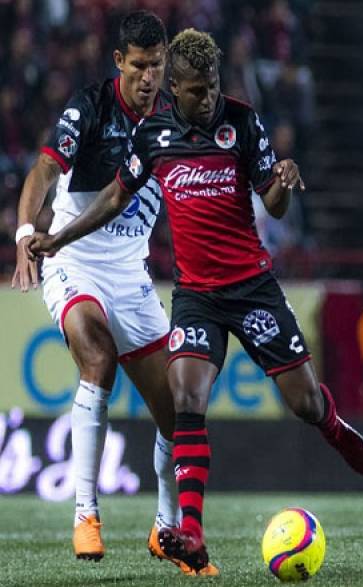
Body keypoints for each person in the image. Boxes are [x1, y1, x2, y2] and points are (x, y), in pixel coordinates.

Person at [27, 29, 363, 573]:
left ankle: (333, 424)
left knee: (303, 403)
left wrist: (282, 179)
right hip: (196, 296)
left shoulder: (242, 121)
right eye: (196, 91)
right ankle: (186, 531)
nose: (206, 99)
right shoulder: (155, 135)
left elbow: (275, 207)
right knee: (185, 399)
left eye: (212, 87)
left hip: (252, 287)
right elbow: (116, 196)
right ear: (178, 90)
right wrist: (57, 238)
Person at [11, 13, 218, 577]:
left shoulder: (179, 123)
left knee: (180, 414)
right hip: (71, 259)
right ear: (119, 62)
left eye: (158, 66)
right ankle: (85, 514)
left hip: (131, 276)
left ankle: (166, 529)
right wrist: (27, 234)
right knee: (96, 359)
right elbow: (44, 171)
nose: (149, 77)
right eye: (140, 65)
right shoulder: (90, 107)